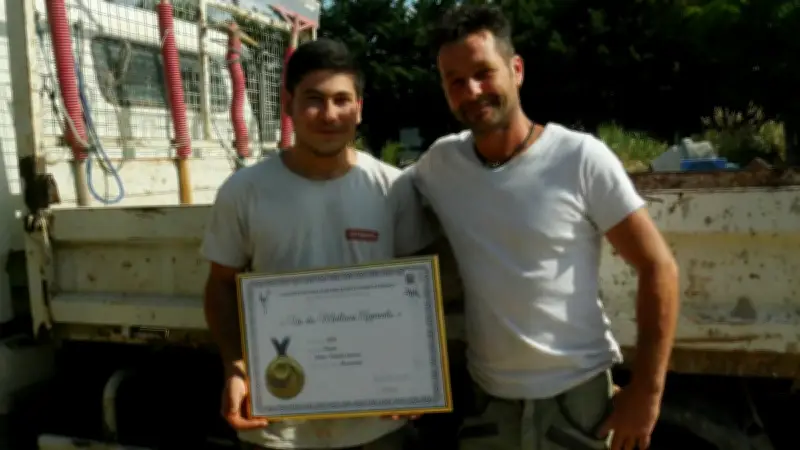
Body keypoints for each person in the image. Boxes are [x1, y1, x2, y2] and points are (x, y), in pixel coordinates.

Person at [408, 5, 680, 450]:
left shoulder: (579, 158)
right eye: (455, 81)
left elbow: (659, 268)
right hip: (490, 405)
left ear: (516, 70)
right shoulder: (440, 165)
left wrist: (647, 395)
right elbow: (375, 195)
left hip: (577, 403)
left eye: (483, 72)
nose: (472, 90)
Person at [201, 38, 433, 450]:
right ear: (287, 103)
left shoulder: (394, 188)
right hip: (277, 426)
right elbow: (221, 285)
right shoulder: (244, 191)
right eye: (314, 99)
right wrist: (235, 368)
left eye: (342, 100)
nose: (329, 114)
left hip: (376, 424)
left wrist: (416, 373)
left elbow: (414, 293)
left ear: (359, 107)